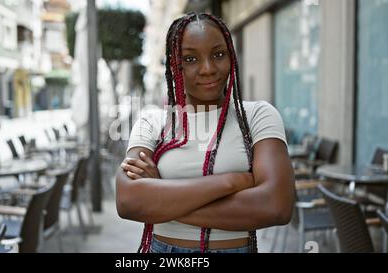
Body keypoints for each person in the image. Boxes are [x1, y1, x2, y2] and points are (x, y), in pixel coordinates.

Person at [116, 12, 295, 253]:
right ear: (174, 66)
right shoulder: (153, 122)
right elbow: (128, 201)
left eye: (218, 54)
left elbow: (276, 207)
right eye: (190, 59)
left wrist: (162, 198)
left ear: (231, 57)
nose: (208, 69)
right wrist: (232, 181)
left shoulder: (256, 116)